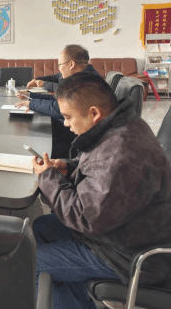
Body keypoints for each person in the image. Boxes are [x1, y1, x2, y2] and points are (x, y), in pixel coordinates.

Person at [31, 72, 171, 309]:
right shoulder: (120, 126)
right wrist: (66, 167)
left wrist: (48, 178)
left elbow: (85, 218)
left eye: (68, 117)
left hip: (128, 255)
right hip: (120, 232)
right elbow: (95, 168)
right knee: (41, 228)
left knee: (33, 263)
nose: (65, 123)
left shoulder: (122, 153)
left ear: (94, 113)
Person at [15, 45, 98, 120]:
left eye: (60, 64)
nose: (59, 68)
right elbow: (58, 99)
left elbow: (60, 108)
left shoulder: (87, 82)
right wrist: (30, 95)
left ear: (71, 64)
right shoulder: (80, 76)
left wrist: (31, 104)